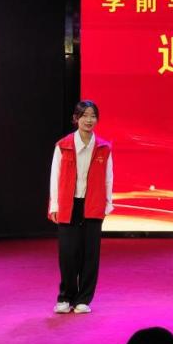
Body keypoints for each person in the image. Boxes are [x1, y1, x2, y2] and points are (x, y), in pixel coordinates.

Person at [48, 99, 113, 314]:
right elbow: (55, 177)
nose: (89, 120)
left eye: (93, 116)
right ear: (76, 119)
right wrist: (54, 205)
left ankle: (84, 299)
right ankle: (65, 297)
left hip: (93, 204)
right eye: (84, 116)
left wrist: (107, 204)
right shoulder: (63, 145)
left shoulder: (104, 147)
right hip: (69, 204)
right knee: (68, 254)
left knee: (90, 255)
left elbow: (108, 178)